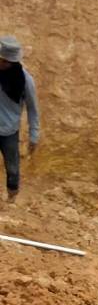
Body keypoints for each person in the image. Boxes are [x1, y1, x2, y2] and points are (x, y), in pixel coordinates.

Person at [0, 35, 40, 203]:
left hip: (9, 131)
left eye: (3, 61)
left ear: (11, 62)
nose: (0, 63)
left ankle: (11, 200)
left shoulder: (25, 81)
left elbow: (33, 109)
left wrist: (33, 135)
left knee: (13, 168)